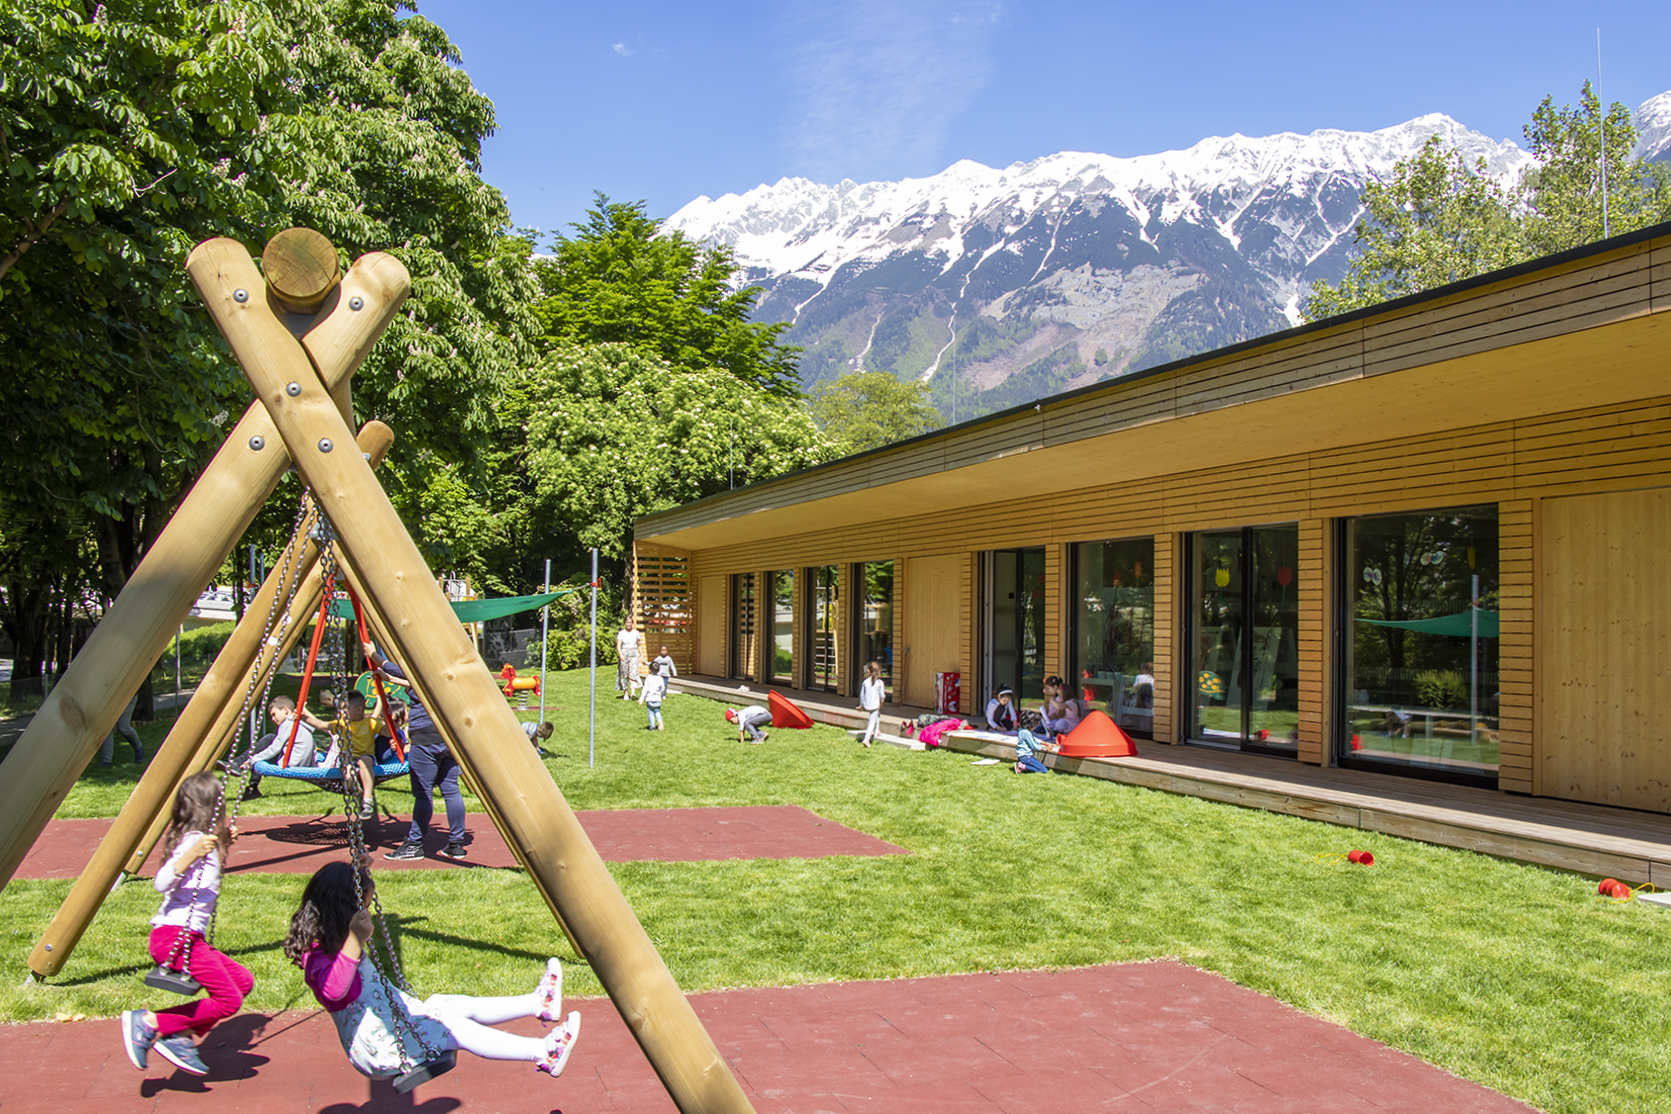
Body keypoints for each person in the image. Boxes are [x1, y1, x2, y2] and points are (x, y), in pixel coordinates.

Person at [286, 858, 580, 1081]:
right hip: (379, 1049)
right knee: (454, 1027)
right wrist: (353, 941)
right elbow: (333, 990)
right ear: (341, 912)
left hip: (396, 1029)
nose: (366, 916)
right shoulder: (319, 958)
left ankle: (536, 1003)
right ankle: (544, 1052)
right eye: (360, 909)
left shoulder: (333, 935)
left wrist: (357, 867)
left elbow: (338, 892)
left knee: (447, 1003)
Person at [120, 772, 252, 1077]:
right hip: (174, 936)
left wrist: (221, 843)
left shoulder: (203, 841)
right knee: (228, 1000)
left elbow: (202, 876)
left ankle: (178, 1035)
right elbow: (162, 882)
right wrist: (191, 854)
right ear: (210, 808)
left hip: (192, 937)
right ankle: (151, 1023)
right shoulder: (192, 843)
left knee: (242, 981)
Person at [363, 642, 468, 862]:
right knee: (450, 789)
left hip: (426, 736)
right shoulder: (447, 669)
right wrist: (389, 679)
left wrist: (373, 654)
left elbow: (403, 671)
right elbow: (414, 683)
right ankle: (456, 844)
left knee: (422, 793)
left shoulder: (424, 664)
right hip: (448, 735)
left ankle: (414, 844)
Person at [242, 694, 317, 799]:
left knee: (264, 748)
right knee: (268, 741)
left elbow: (275, 748)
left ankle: (251, 786)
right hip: (306, 763)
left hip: (292, 764)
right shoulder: (299, 722)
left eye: (274, 714)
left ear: (285, 710)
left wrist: (253, 760)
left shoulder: (287, 724)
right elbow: (313, 729)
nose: (273, 719)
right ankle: (250, 783)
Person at [100, 694, 146, 767]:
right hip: (110, 696)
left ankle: (138, 748)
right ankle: (106, 761)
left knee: (123, 728)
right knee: (106, 728)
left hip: (128, 695)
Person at [615, 617, 644, 701]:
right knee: (624, 673)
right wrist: (620, 655)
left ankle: (633, 692)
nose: (629, 624)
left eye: (630, 622)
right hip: (624, 653)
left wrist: (641, 655)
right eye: (627, 622)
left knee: (633, 672)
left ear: (632, 623)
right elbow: (618, 645)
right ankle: (625, 693)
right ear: (625, 623)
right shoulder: (621, 633)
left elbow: (639, 645)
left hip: (634, 653)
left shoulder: (636, 633)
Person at [857, 661, 885, 747]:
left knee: (877, 715)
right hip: (874, 705)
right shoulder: (880, 683)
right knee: (871, 722)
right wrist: (881, 702)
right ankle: (867, 739)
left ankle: (877, 730)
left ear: (869, 671)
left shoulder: (865, 682)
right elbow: (882, 695)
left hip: (867, 705)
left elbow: (862, 695)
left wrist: (861, 705)